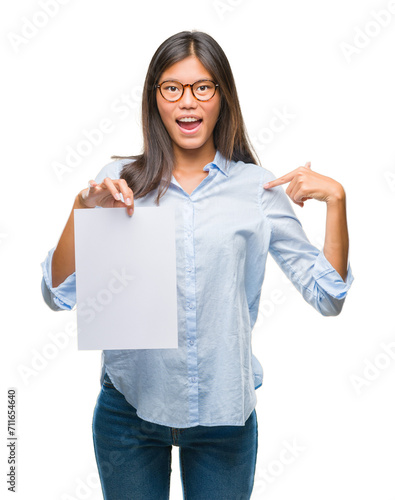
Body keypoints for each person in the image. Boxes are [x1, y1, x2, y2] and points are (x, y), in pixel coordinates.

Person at [40, 30, 354, 500]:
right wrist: (81, 211)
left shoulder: (258, 189)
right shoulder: (119, 181)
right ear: (155, 98)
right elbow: (57, 296)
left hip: (224, 415)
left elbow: (328, 297)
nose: (188, 102)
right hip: (129, 411)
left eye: (202, 87)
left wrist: (337, 201)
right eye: (173, 87)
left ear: (222, 96)